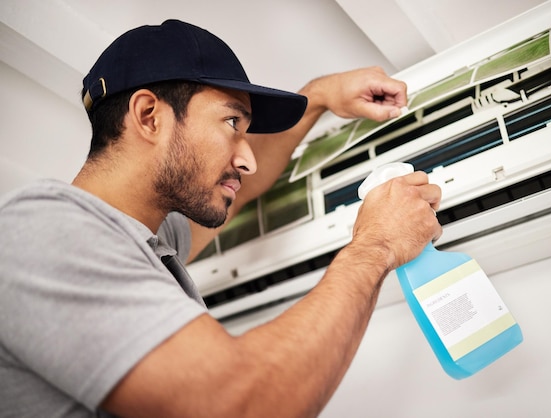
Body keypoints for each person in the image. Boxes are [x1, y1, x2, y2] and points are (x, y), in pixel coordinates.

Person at [0, 19, 441, 418]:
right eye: (232, 122)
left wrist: (319, 95)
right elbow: (238, 405)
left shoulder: (147, 240)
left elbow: (243, 185)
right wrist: (377, 245)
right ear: (149, 117)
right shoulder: (44, 229)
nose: (246, 158)